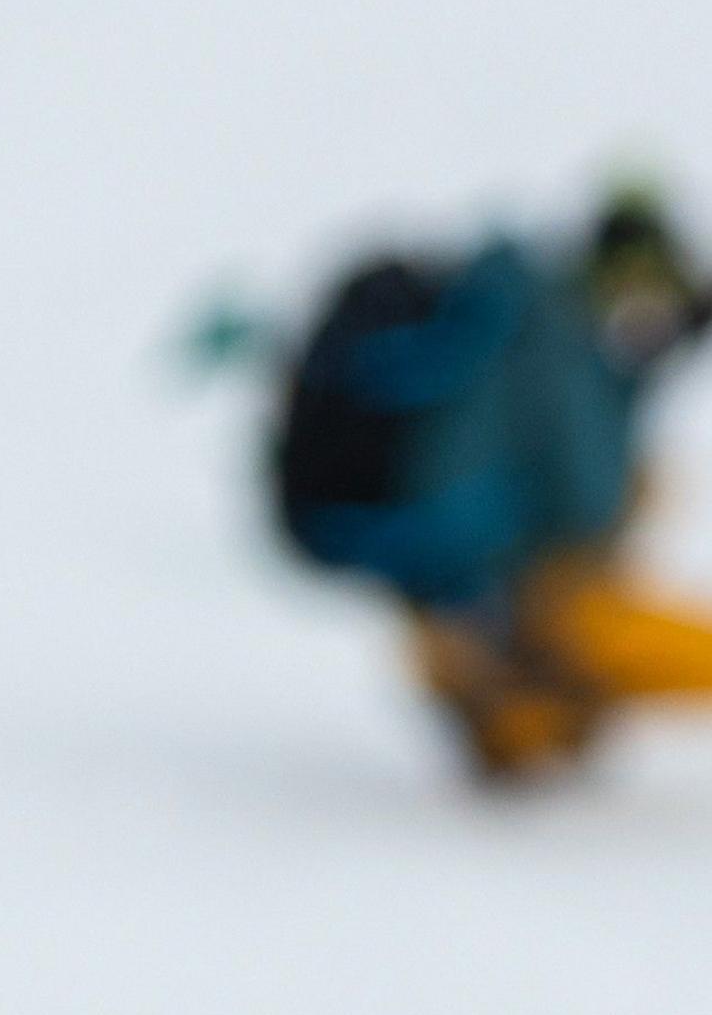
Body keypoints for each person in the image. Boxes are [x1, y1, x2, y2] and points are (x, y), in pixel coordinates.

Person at [271, 184, 712, 780]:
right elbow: (586, 498)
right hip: (500, 580)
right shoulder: (556, 336)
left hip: (454, 582)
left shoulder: (517, 312)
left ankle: (523, 705)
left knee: (522, 702)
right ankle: (526, 701)